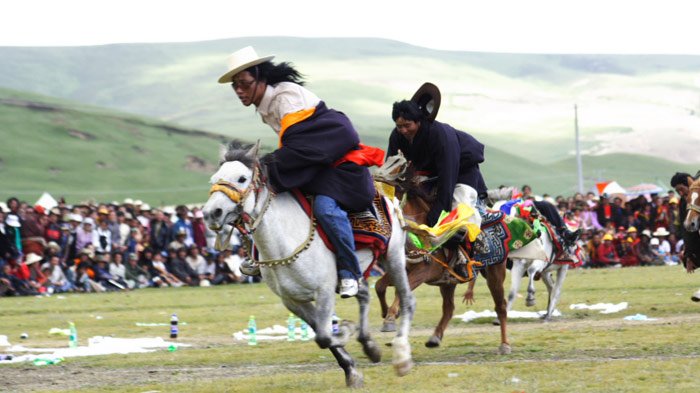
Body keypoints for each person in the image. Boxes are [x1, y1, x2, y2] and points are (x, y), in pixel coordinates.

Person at [217, 46, 382, 297]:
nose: (239, 90)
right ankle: (257, 254)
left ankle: (351, 272)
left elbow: (306, 145)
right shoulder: (265, 106)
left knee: (326, 208)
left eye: (245, 83)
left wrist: (265, 165)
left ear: (260, 78)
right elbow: (299, 148)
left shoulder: (286, 98)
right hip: (314, 162)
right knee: (266, 201)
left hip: (337, 163)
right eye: (235, 85)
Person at [388, 84, 487, 227]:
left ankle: (471, 246)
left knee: (458, 219)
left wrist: (437, 215)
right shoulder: (397, 136)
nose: (403, 130)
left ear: (418, 122)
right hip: (430, 174)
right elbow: (391, 166)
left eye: (407, 125)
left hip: (460, 172)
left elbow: (448, 177)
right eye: (399, 126)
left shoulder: (441, 136)